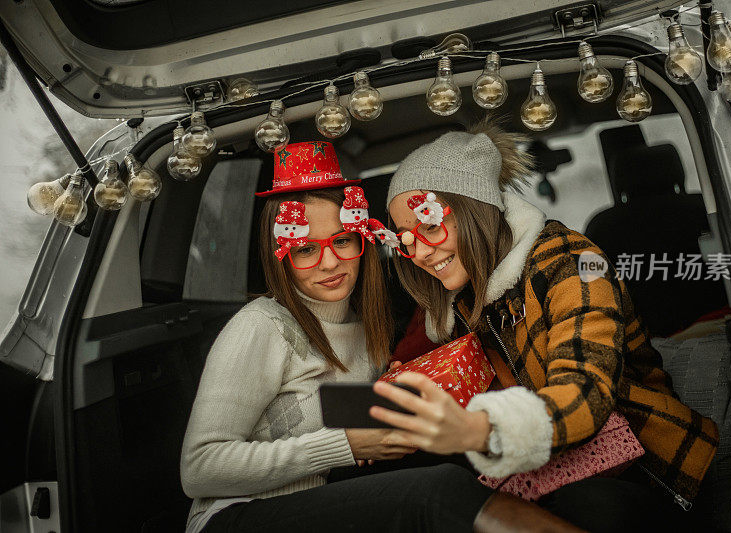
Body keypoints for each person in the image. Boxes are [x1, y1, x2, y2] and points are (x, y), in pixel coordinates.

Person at [180, 141, 582, 533]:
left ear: (362, 240)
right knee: (434, 492)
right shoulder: (261, 325)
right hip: (237, 517)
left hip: (329, 499)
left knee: (458, 467)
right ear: (278, 255)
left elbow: (331, 418)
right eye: (305, 250)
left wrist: (388, 403)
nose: (330, 262)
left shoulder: (367, 329)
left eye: (342, 241)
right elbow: (198, 470)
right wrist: (348, 446)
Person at [370, 119, 720, 532]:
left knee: (580, 507)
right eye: (405, 238)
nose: (421, 253)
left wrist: (480, 430)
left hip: (648, 469)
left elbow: (585, 394)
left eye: (431, 226)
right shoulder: (456, 299)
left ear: (478, 210)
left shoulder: (574, 263)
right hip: (546, 473)